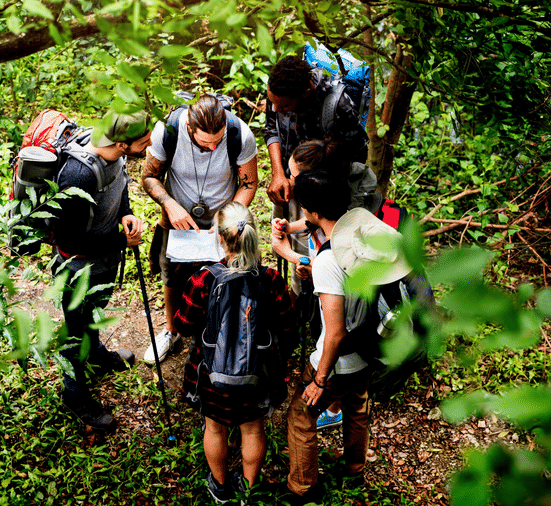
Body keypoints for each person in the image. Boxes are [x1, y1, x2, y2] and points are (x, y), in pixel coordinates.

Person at [271, 170, 411, 504]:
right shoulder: (363, 223)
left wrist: (319, 380)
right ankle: (354, 466)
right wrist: (292, 240)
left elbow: (335, 332)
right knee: (356, 405)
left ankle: (302, 487)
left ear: (312, 210)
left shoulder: (328, 261)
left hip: (339, 359)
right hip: (373, 345)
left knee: (302, 417)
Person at [174, 202, 296, 503]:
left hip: (211, 374)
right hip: (258, 374)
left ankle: (220, 487)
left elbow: (184, 326)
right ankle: (248, 491)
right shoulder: (270, 280)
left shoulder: (203, 279)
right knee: (253, 430)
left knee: (214, 428)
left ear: (219, 238)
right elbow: (289, 327)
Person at [50, 109, 153, 431]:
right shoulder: (78, 175)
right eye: (144, 141)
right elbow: (69, 238)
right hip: (77, 267)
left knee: (94, 312)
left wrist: (126, 215)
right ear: (122, 143)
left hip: (103, 260)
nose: (150, 146)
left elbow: (119, 191)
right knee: (74, 330)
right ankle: (75, 394)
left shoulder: (116, 158)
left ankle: (94, 353)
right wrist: (123, 239)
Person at [142, 93, 259, 363]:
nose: (213, 147)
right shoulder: (167, 131)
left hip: (223, 219)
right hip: (177, 218)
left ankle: (227, 330)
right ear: (188, 127)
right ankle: (172, 331)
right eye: (205, 142)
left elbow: (249, 183)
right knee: (172, 273)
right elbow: (149, 176)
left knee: (230, 273)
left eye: (218, 141)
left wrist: (227, 215)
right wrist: (169, 204)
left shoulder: (240, 134)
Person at [265, 56, 369, 295]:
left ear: (306, 91)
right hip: (288, 183)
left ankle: (323, 305)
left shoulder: (336, 104)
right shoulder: (278, 91)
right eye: (272, 103)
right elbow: (272, 128)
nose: (276, 109)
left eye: (284, 107)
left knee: (319, 253)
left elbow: (354, 155)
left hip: (322, 197)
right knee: (294, 244)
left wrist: (305, 181)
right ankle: (299, 302)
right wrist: (280, 174)